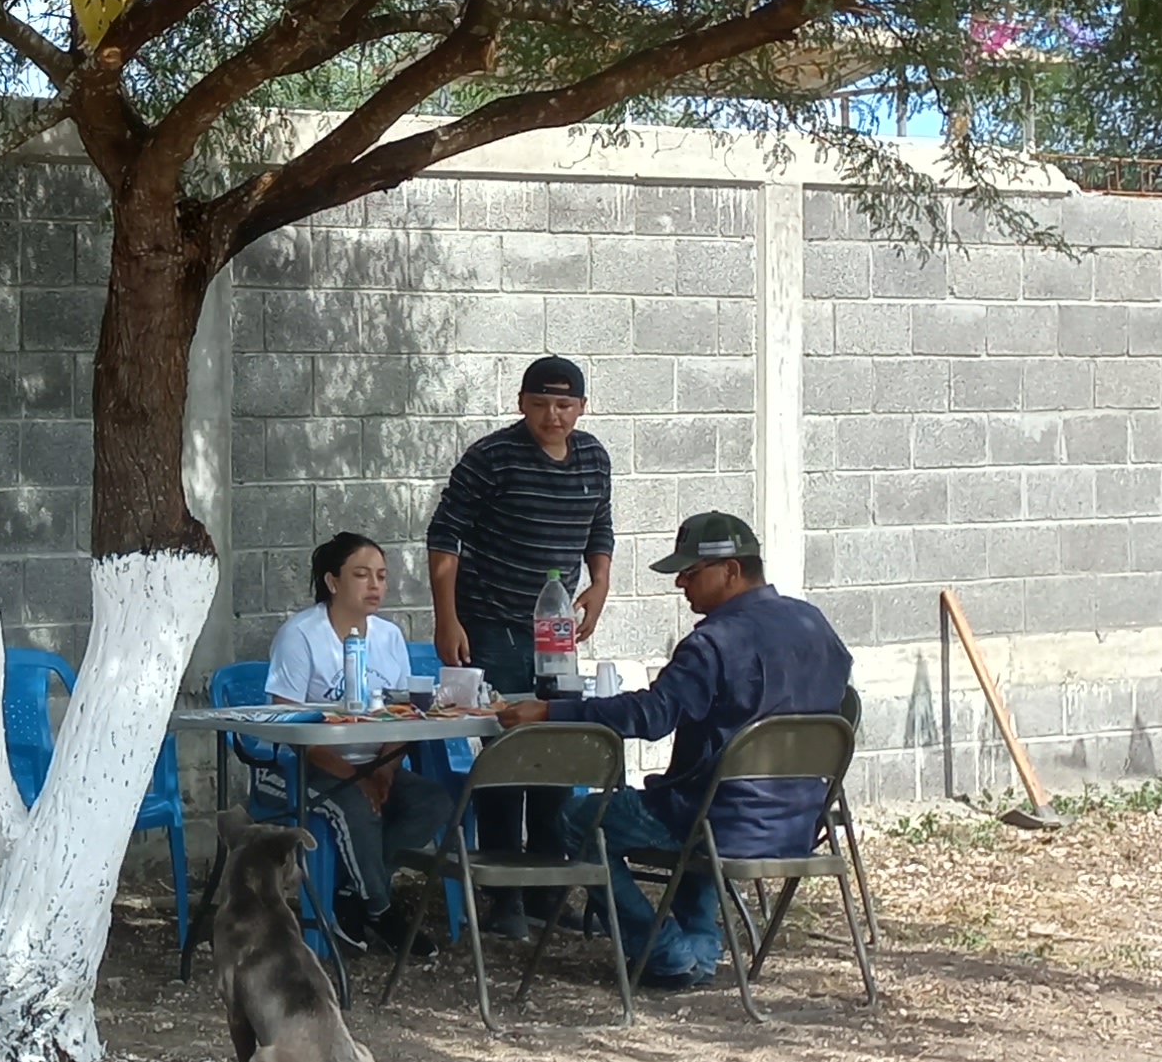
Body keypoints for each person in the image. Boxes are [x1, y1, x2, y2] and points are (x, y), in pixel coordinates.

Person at [495, 510, 853, 986]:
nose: (681, 583)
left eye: (691, 572)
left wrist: (550, 711)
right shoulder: (814, 624)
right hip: (798, 821)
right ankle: (699, 952)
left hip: (716, 820)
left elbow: (652, 716)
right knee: (694, 802)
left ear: (730, 570)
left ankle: (662, 951)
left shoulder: (715, 641)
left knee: (577, 819)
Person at [427, 355, 615, 872]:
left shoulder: (593, 458)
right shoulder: (492, 457)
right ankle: (502, 880)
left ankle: (548, 876)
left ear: (581, 407)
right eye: (539, 404)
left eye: (563, 405)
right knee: (506, 744)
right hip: (491, 618)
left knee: (554, 742)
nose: (552, 415)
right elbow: (445, 538)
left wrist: (599, 584)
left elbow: (599, 524)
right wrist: (447, 618)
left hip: (555, 630)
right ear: (520, 404)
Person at [265, 531, 459, 921]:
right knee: (354, 805)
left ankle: (349, 890)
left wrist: (383, 772)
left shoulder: (389, 636)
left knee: (433, 800)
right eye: (361, 574)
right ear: (332, 582)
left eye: (382, 576)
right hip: (304, 767)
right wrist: (355, 777)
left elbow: (400, 716)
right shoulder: (300, 635)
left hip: (374, 763)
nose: (374, 585)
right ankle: (379, 910)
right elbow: (287, 726)